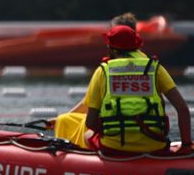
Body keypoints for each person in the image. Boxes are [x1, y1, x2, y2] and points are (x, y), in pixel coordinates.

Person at [79, 24, 192, 156]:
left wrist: (111, 131)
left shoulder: (102, 71)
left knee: (88, 135)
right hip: (155, 146)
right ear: (137, 46)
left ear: (112, 49)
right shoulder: (154, 68)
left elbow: (90, 122)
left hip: (114, 147)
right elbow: (182, 108)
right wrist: (186, 145)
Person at [52, 12, 141, 148]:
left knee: (66, 122)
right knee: (64, 119)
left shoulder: (104, 70)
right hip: (145, 130)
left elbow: (90, 115)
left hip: (114, 132)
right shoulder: (152, 67)